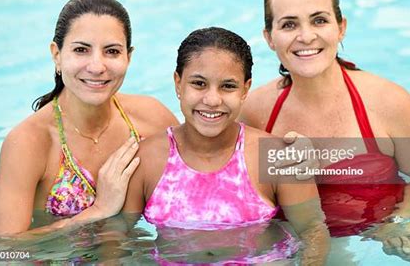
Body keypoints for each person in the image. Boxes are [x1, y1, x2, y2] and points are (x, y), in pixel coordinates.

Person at [239, 0, 410, 262]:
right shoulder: (254, 111)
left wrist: (398, 221)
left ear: (341, 27)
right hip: (296, 237)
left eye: (319, 20)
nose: (306, 36)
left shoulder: (388, 101)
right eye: (288, 25)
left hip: (384, 225)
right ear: (270, 37)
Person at [122, 27, 330, 265]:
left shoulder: (277, 156)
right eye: (199, 84)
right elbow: (119, 238)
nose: (212, 100)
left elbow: (312, 230)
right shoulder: (147, 160)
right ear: (178, 83)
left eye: (228, 86)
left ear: (245, 89)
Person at [0, 0, 178, 235]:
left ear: (129, 57)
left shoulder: (152, 119)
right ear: (57, 55)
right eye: (81, 50)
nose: (97, 66)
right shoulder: (29, 143)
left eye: (112, 51)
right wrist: (98, 210)